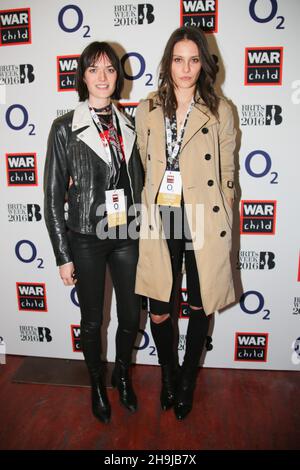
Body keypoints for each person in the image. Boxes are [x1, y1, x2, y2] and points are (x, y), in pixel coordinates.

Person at [135, 26, 236, 420]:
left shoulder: (220, 109)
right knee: (159, 307)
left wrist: (225, 204)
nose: (186, 68)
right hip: (162, 215)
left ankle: (187, 382)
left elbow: (227, 166)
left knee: (199, 305)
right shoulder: (148, 108)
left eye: (194, 59)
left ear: (204, 64)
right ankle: (167, 375)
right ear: (167, 62)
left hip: (203, 215)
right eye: (178, 59)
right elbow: (143, 160)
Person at [44, 41, 144, 424]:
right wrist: (62, 254)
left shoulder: (130, 124)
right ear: (82, 77)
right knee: (92, 321)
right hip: (85, 235)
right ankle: (98, 386)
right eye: (93, 69)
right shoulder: (64, 128)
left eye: (109, 69)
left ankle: (121, 374)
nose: (102, 77)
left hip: (127, 233)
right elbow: (52, 196)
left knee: (131, 315)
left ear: (118, 77)